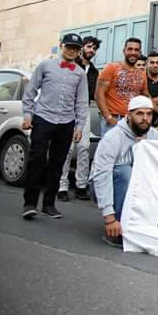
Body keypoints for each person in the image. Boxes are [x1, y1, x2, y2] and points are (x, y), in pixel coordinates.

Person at [21, 33, 89, 220]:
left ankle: (49, 204)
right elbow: (30, 91)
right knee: (37, 160)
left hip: (66, 122)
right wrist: (27, 114)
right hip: (43, 118)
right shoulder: (45, 65)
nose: (72, 51)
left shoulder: (80, 73)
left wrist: (80, 126)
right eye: (69, 47)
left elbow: (82, 102)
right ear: (61, 46)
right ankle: (29, 203)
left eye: (76, 49)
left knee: (58, 163)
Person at [88, 96, 158, 247]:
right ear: (129, 115)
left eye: (149, 114)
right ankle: (118, 227)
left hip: (137, 186)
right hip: (105, 185)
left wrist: (147, 150)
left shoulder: (154, 135)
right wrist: (109, 218)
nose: (145, 118)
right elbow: (101, 175)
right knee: (124, 172)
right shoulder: (113, 137)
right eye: (139, 113)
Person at [58, 35, 101, 202]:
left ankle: (81, 186)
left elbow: (93, 94)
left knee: (84, 148)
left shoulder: (94, 71)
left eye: (94, 48)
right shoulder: (71, 64)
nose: (91, 50)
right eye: (89, 47)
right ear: (82, 47)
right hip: (67, 110)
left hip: (84, 110)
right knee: (67, 149)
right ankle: (62, 187)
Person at [95, 37, 150, 136]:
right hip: (114, 119)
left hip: (133, 120)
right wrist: (108, 117)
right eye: (130, 49)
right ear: (124, 51)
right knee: (111, 146)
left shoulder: (142, 74)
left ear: (140, 53)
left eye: (136, 50)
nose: (133, 52)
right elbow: (99, 94)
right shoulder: (111, 68)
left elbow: (146, 96)